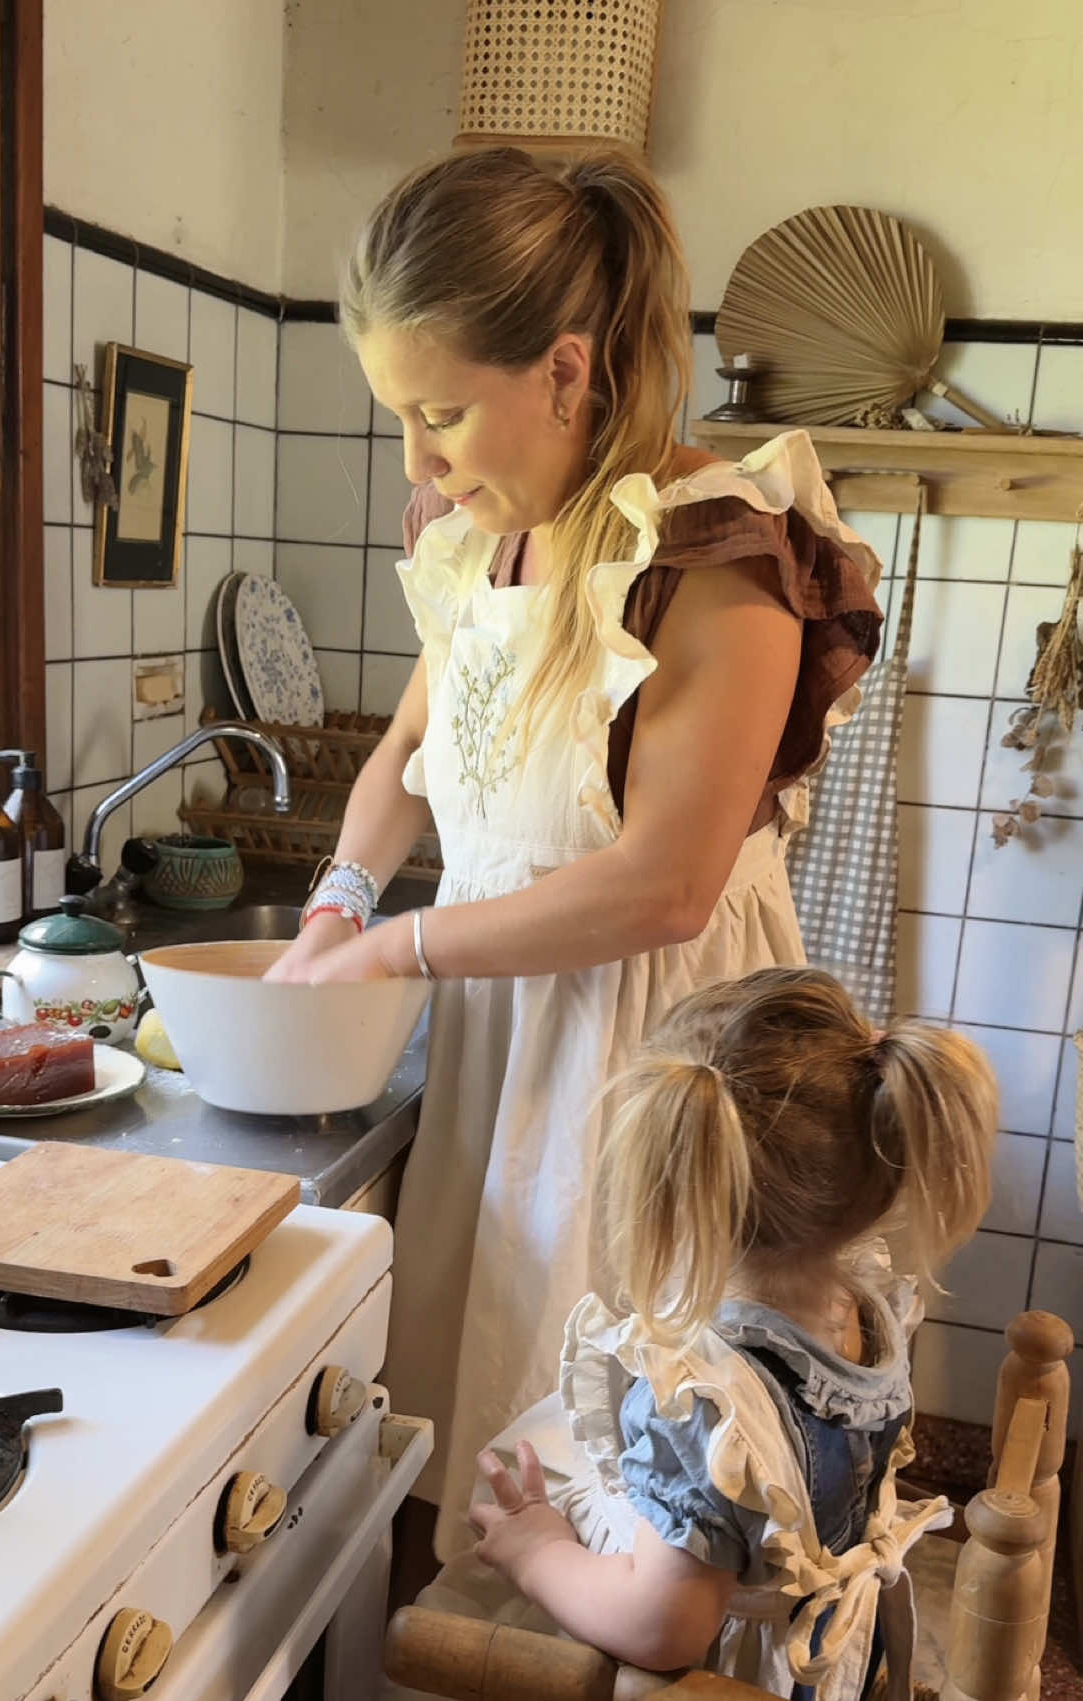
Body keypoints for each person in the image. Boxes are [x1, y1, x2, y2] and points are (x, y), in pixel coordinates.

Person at [264, 145, 886, 1558]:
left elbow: (667, 884)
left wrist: (400, 943)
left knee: (633, 1482)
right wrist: (338, 901)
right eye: (396, 416)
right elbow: (406, 752)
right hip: (498, 1033)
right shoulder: (476, 537)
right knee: (475, 1403)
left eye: (440, 414)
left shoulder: (717, 551)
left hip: (658, 1063)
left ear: (562, 371)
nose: (417, 463)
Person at [414, 968, 998, 1697]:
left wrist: (537, 1553)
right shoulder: (866, 1308)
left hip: (724, 1682)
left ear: (680, 1193)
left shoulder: (703, 1404)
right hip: (826, 1654)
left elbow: (662, 1629)